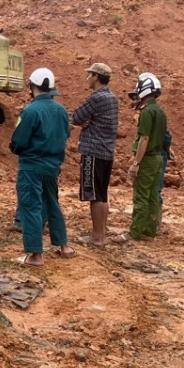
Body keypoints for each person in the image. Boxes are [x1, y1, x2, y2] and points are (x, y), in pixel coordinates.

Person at [9, 67, 74, 266]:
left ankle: (35, 255)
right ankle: (64, 246)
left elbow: (18, 141)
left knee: (31, 207)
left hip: (32, 167)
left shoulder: (29, 111)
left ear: (32, 86)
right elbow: (65, 135)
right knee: (52, 203)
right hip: (53, 167)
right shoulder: (61, 111)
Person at [70, 62, 119, 246]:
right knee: (102, 194)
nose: (87, 78)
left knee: (94, 195)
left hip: (93, 152)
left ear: (96, 77)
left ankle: (97, 237)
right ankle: (101, 234)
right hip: (106, 152)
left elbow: (76, 117)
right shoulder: (112, 98)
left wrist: (86, 122)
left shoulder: (96, 98)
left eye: (89, 74)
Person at [122, 72, 168, 241]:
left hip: (148, 159)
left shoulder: (147, 112)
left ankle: (135, 232)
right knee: (153, 196)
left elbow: (144, 139)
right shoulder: (160, 112)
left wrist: (136, 162)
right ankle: (149, 231)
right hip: (158, 158)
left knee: (141, 195)